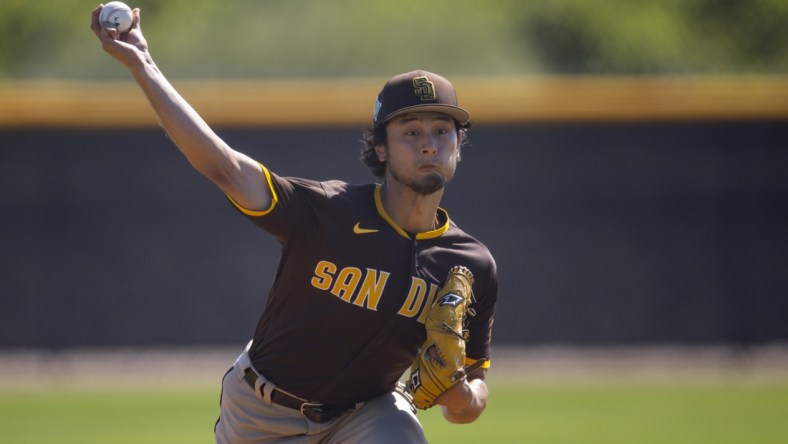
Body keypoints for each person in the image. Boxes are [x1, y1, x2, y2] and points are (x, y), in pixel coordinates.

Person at [91, 5, 498, 443]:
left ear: (459, 143)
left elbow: (472, 393)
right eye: (411, 132)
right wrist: (143, 64)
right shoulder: (327, 211)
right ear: (381, 148)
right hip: (262, 411)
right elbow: (225, 168)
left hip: (368, 412)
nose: (429, 145)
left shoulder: (471, 263)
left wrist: (459, 394)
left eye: (442, 130)